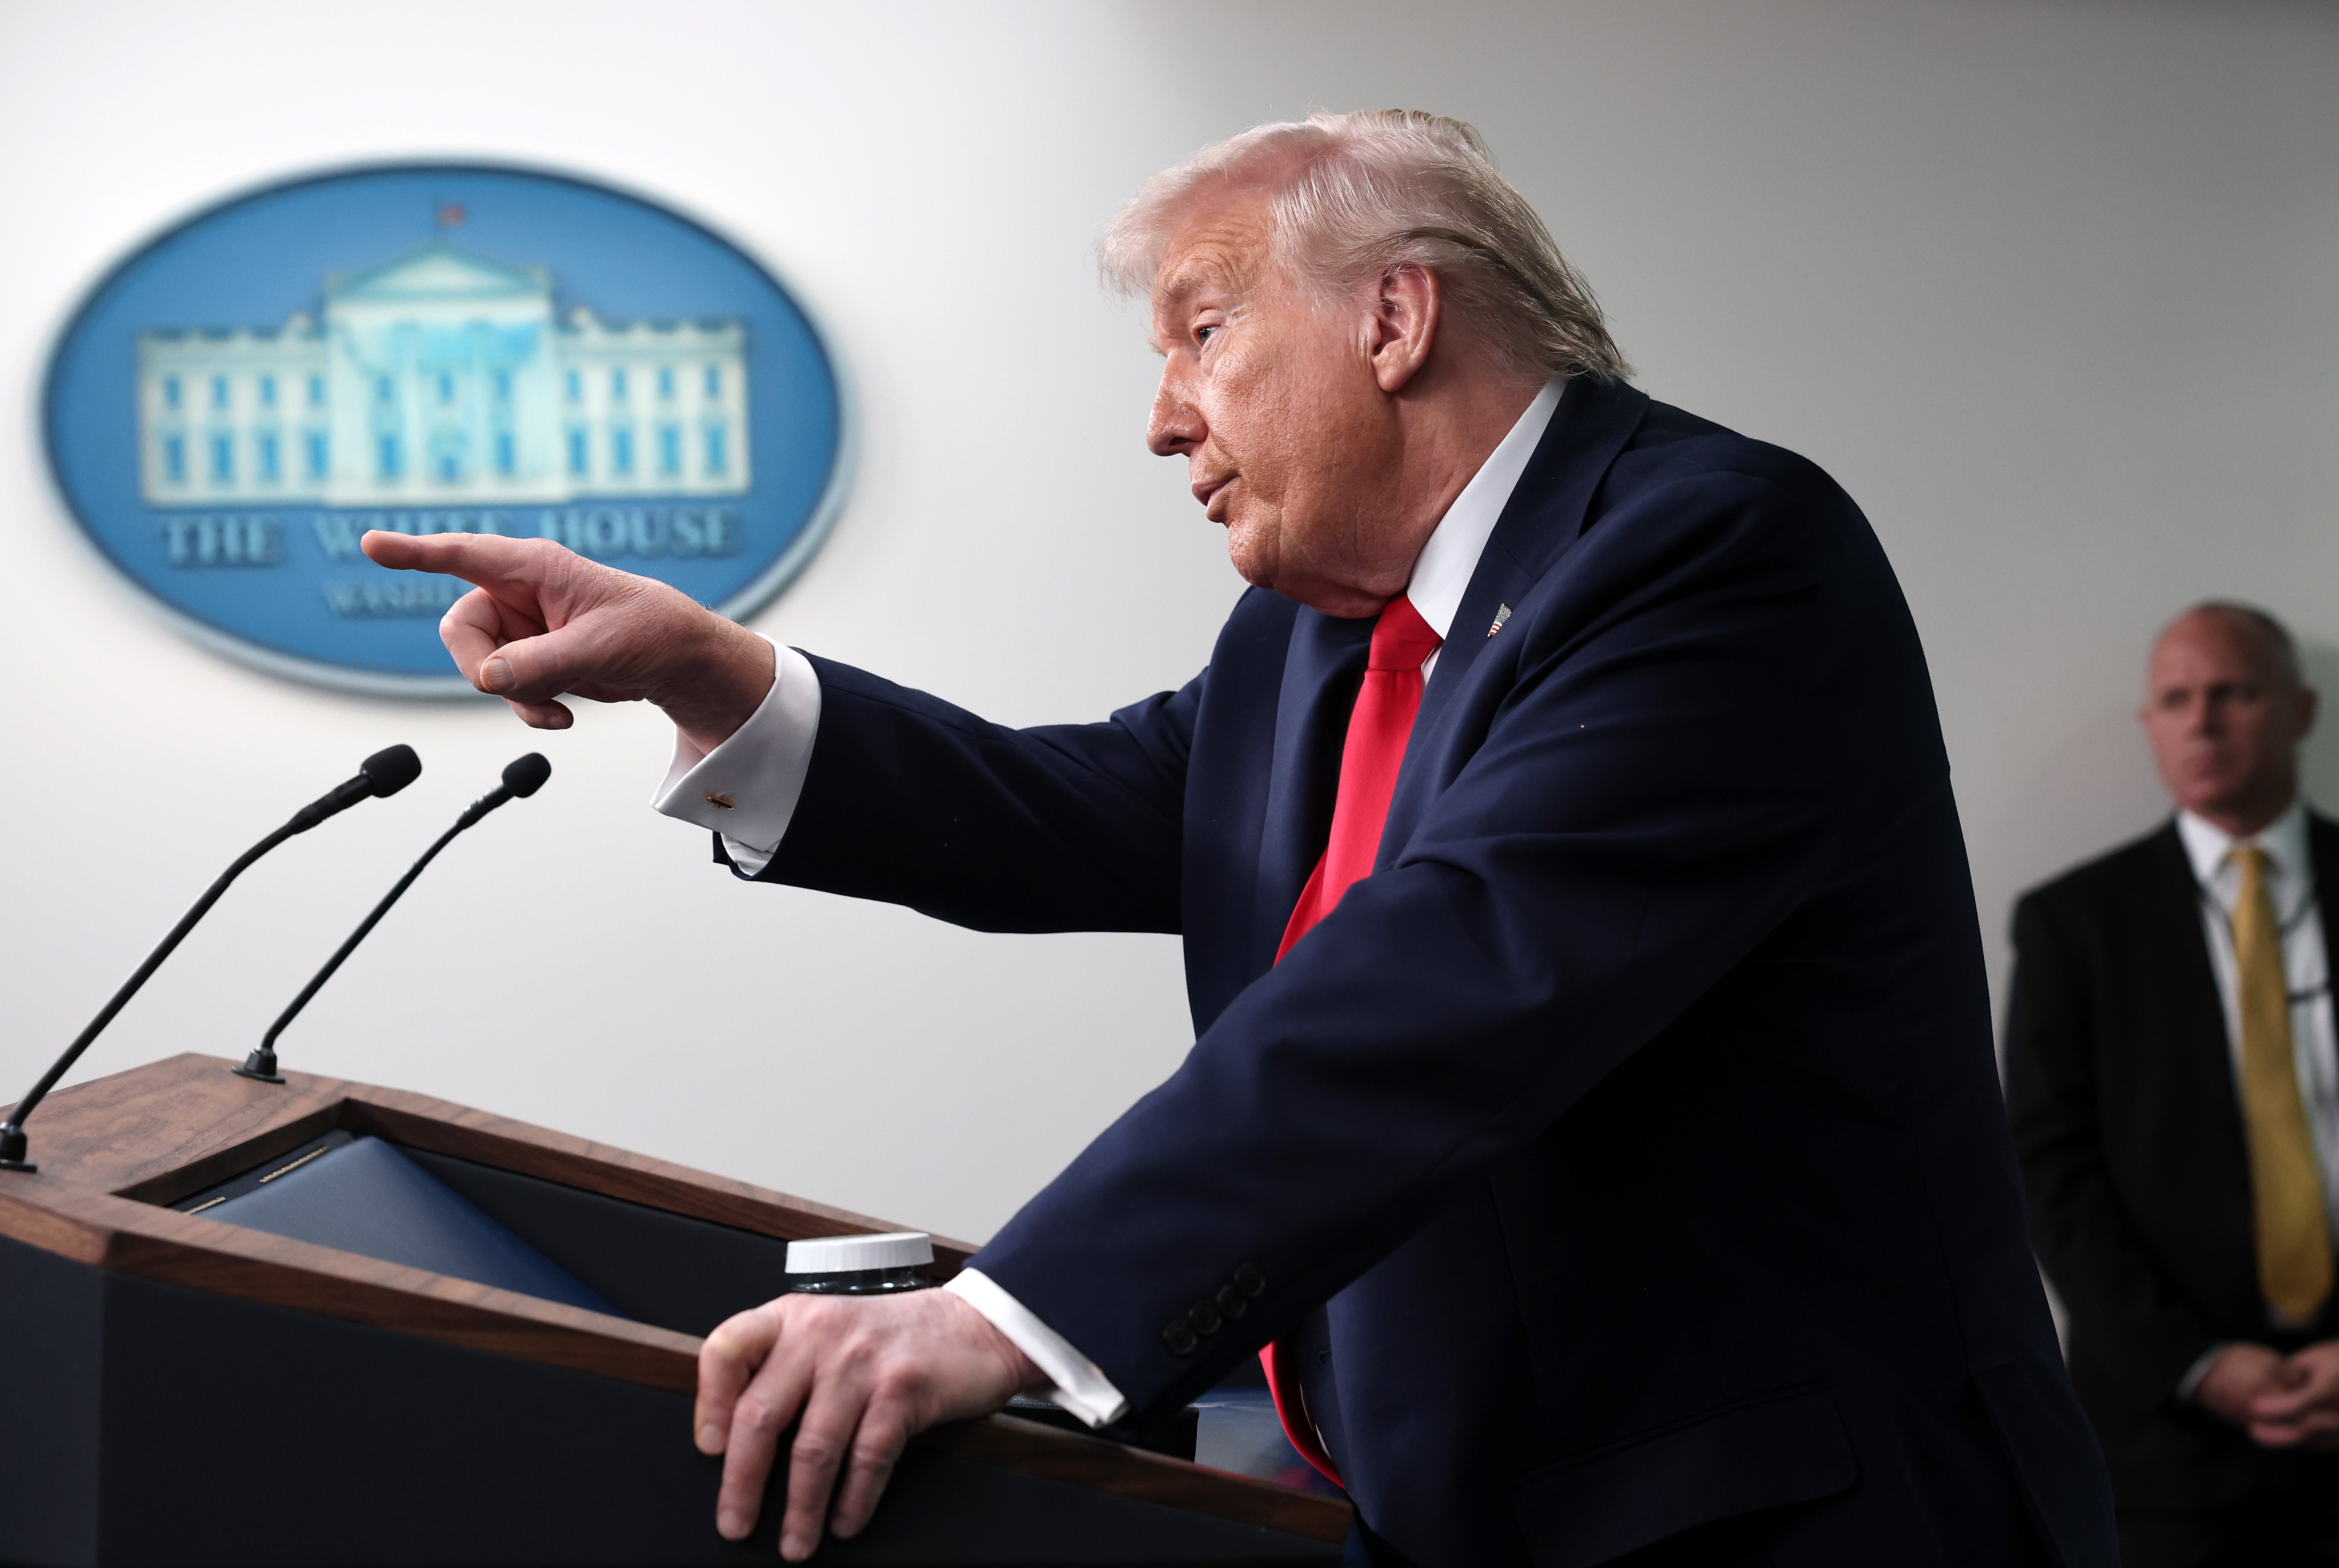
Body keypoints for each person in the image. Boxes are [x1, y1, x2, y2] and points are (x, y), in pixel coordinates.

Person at [367, 111, 2114, 1568]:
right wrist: (717, 670)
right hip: (1444, 1501)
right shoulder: (1312, 628)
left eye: (1201, 333)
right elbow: (1079, 810)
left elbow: (1444, 978)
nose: (1159, 418)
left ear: (1390, 321)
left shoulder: (1709, 554)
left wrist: (998, 1317)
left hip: (1777, 1522)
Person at [2006, 603, 2339, 1567]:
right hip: (2165, 1450)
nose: (2202, 721)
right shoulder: (2072, 926)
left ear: (2300, 709)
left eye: (2232, 692)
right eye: (2175, 699)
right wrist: (2193, 1362)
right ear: (2147, 723)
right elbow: (2045, 1171)